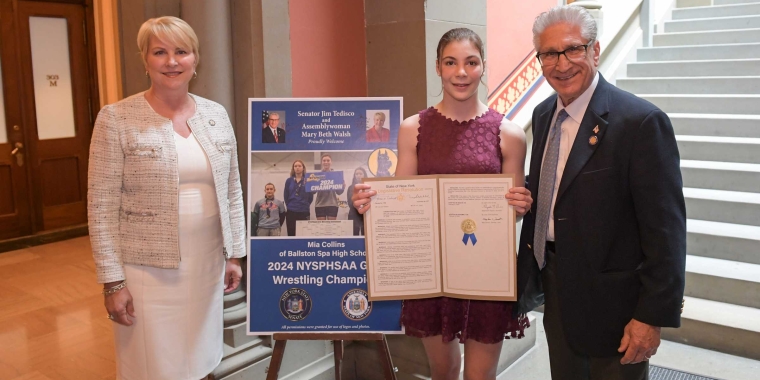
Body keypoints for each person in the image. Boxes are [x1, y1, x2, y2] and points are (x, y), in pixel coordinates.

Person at [515, 6, 686, 379]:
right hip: (557, 288)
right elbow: (559, 186)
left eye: (573, 49)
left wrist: (650, 316)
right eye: (549, 54)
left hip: (616, 306)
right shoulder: (544, 115)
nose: (561, 64)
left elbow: (666, 232)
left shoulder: (640, 122)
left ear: (595, 50)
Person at [352, 28, 534, 380]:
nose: (461, 72)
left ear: (483, 67)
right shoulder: (412, 128)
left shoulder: (509, 133)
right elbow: (405, 202)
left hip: (485, 270)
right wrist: (373, 205)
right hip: (430, 272)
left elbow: (508, 217)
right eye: (451, 63)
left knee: (480, 376)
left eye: (471, 62)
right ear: (438, 67)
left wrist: (518, 204)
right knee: (444, 370)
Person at [87, 16, 246, 380]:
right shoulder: (116, 119)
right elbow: (100, 208)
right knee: (152, 363)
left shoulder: (216, 114)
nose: (171, 61)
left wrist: (234, 254)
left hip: (208, 265)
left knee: (200, 357)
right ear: (145, 60)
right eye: (159, 52)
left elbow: (232, 189)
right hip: (147, 273)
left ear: (195, 59)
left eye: (181, 51)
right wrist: (112, 282)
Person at [283, 159, 314, 236]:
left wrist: (305, 204)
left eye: (299, 166)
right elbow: (286, 195)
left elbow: (311, 197)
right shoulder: (289, 181)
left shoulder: (308, 180)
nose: (297, 168)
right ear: (293, 168)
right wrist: (290, 205)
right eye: (295, 166)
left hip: (304, 211)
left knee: (304, 234)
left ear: (303, 168)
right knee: (291, 234)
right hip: (291, 211)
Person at [315, 154, 345, 220]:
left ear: (331, 162)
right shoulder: (317, 176)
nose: (326, 162)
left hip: (332, 204)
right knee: (321, 227)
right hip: (320, 204)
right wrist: (308, 184)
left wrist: (343, 186)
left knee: (331, 227)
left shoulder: (336, 175)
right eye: (324, 160)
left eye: (328, 160)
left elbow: (339, 192)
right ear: (321, 162)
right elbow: (313, 191)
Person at [346, 167, 368, 236]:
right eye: (357, 174)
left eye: (360, 173)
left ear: (364, 174)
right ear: (354, 176)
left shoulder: (368, 186)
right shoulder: (350, 188)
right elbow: (350, 202)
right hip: (354, 214)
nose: (358, 175)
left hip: (366, 214)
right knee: (354, 235)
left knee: (365, 236)